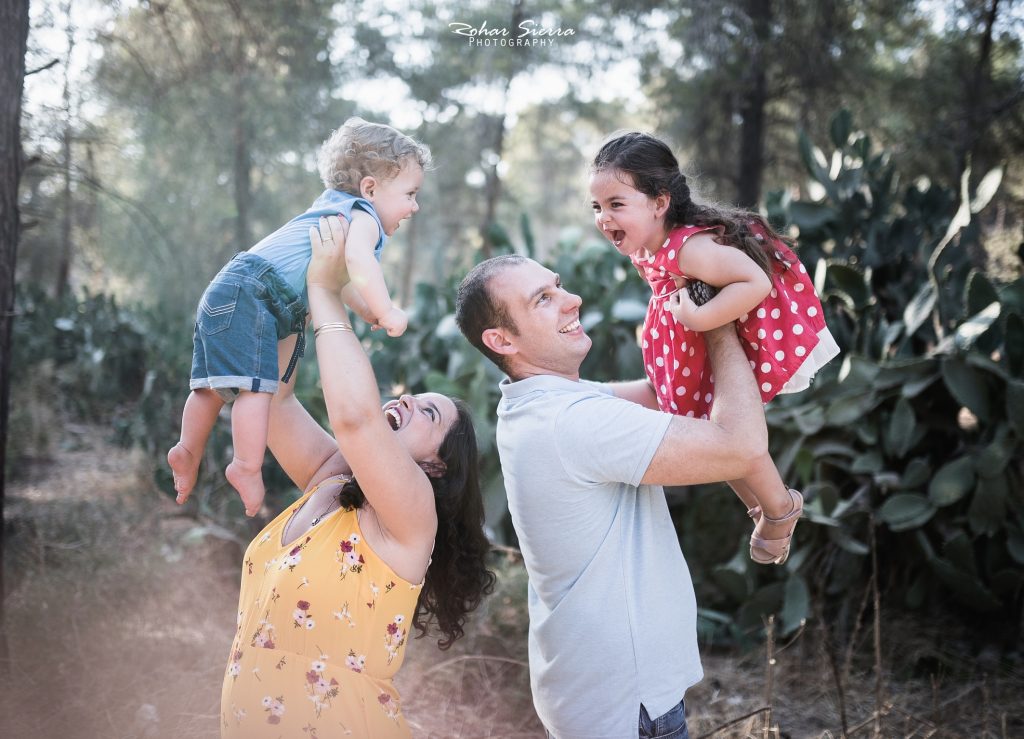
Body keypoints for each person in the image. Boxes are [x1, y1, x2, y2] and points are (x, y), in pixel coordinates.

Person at [199, 215, 494, 738]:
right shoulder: (333, 480)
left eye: (427, 414)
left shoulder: (412, 515)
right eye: (412, 397)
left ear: (436, 467)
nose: (406, 401)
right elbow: (277, 399)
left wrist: (324, 289)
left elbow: (357, 421)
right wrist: (285, 297)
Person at [455, 255, 770, 738]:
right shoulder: (570, 421)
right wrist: (718, 321)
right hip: (628, 707)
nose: (572, 300)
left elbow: (662, 394)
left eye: (558, 285)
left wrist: (678, 306)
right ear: (502, 341)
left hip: (600, 694)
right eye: (543, 299)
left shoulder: (542, 402)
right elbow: (742, 447)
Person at [590, 131, 840, 564]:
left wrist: (701, 319)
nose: (604, 217)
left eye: (616, 204)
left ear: (659, 202)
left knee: (728, 431)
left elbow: (755, 281)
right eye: (597, 207)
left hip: (714, 341)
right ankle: (761, 507)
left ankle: (781, 506)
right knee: (709, 430)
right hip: (687, 346)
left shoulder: (691, 249)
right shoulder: (648, 244)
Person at [168, 118, 427, 516]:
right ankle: (246, 466)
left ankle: (187, 449)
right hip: (257, 292)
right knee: (258, 389)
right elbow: (359, 261)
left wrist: (367, 310)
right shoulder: (364, 217)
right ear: (370, 188)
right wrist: (388, 309)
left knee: (213, 387)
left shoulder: (330, 209)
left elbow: (340, 279)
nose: (414, 206)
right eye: (410, 193)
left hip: (232, 285)